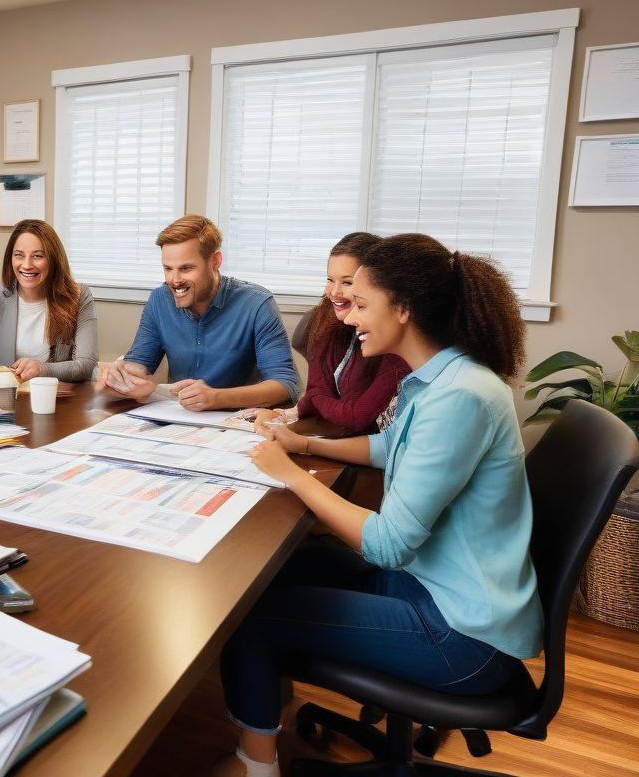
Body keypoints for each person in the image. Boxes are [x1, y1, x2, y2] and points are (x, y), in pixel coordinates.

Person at [215, 234, 542, 777]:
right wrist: (308, 444)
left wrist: (291, 474)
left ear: (404, 308)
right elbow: (390, 447)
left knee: (245, 616)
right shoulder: (446, 376)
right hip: (437, 586)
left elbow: (389, 544)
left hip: (460, 636)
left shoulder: (459, 397)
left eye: (362, 304)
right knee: (262, 575)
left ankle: (256, 763)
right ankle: (266, 713)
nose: (350, 318)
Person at [98, 214, 298, 411]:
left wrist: (216, 398)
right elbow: (137, 367)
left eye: (186, 268)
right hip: (178, 418)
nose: (174, 280)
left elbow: (285, 385)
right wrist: (121, 378)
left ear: (215, 261)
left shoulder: (257, 303)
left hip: (236, 421)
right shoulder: (159, 299)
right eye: (168, 268)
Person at [254, 233, 409, 435]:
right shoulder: (326, 318)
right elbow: (315, 400)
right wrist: (283, 418)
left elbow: (356, 419)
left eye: (347, 282)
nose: (334, 292)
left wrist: (316, 398)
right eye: (330, 279)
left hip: (367, 448)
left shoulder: (391, 341)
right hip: (334, 439)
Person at [0, 219, 98, 386]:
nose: (27, 265)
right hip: (9, 400)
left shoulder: (79, 296)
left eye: (37, 256)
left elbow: (87, 365)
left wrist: (43, 369)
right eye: (19, 255)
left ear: (53, 260)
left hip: (56, 400)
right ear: (11, 258)